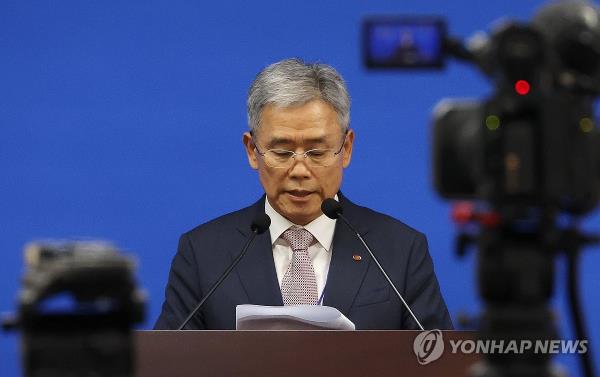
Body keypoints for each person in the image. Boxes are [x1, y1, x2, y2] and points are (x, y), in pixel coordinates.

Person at [154, 58, 452, 330]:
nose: (299, 170)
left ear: (346, 149)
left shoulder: (400, 250)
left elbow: (435, 360)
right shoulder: (203, 254)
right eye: (282, 152)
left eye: (316, 151)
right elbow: (169, 363)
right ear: (252, 151)